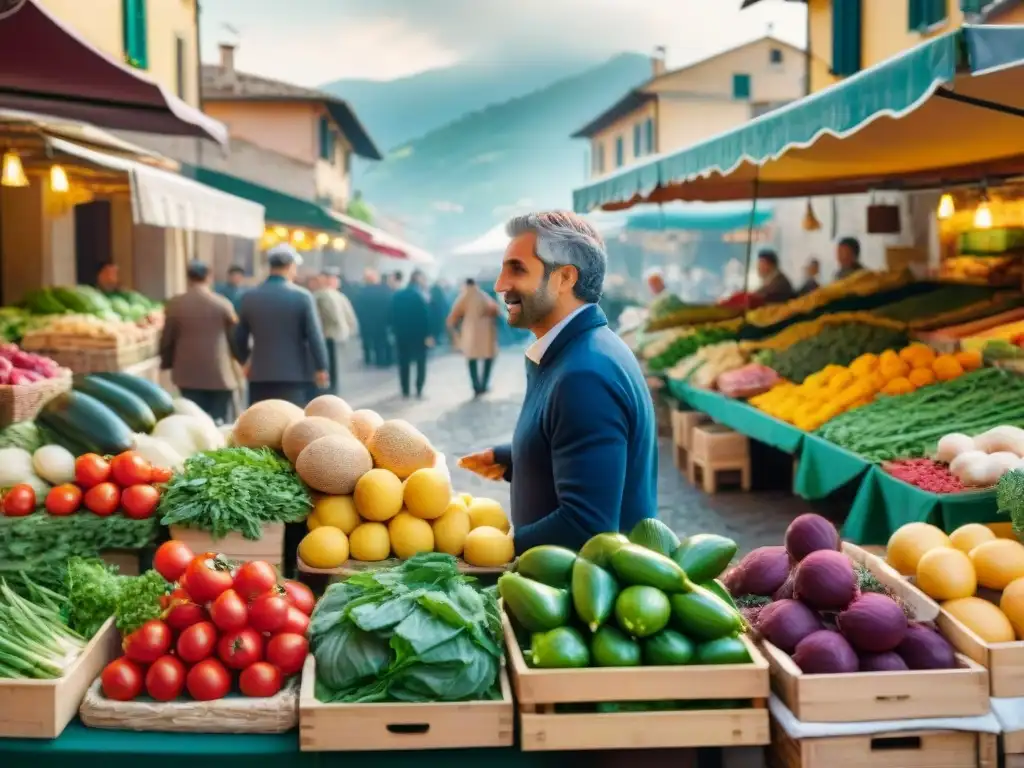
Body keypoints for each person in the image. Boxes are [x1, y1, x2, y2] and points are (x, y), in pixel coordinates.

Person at [458, 211, 657, 554]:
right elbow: (577, 442)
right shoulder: (580, 351)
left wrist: (493, 549)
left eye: (517, 269)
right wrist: (520, 456)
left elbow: (586, 527)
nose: (500, 284)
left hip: (579, 599)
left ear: (564, 277)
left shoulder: (585, 376)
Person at [234, 244, 330, 407]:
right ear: (291, 266)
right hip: (295, 375)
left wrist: (244, 361)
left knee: (260, 424)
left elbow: (238, 336)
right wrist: (321, 367)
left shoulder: (248, 297)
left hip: (259, 374)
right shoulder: (302, 296)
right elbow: (314, 336)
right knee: (291, 425)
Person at [159, 261, 239, 423]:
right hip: (219, 374)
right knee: (220, 422)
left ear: (188, 278)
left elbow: (167, 339)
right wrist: (240, 361)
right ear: (209, 277)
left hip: (187, 374)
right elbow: (235, 337)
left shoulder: (175, 305)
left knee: (193, 421)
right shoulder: (222, 304)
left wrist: (167, 363)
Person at [447, 278, 499, 397]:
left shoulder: (464, 296)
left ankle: (476, 386)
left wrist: (454, 329)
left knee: (471, 359)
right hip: (487, 333)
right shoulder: (484, 296)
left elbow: (453, 315)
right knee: (489, 358)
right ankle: (484, 384)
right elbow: (496, 310)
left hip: (470, 333)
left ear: (466, 285)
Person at [390, 269, 433, 398]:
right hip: (418, 336)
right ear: (419, 279)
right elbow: (426, 317)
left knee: (404, 363)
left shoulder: (398, 295)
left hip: (401, 334)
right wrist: (428, 334)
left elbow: (391, 315)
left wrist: (394, 330)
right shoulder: (421, 296)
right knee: (420, 363)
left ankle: (405, 390)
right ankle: (419, 389)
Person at [313, 269, 358, 394]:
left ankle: (330, 394)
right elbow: (350, 318)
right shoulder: (339, 295)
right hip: (339, 336)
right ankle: (333, 393)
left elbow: (333, 316)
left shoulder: (321, 295)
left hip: (328, 335)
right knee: (336, 370)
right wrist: (348, 330)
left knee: (330, 369)